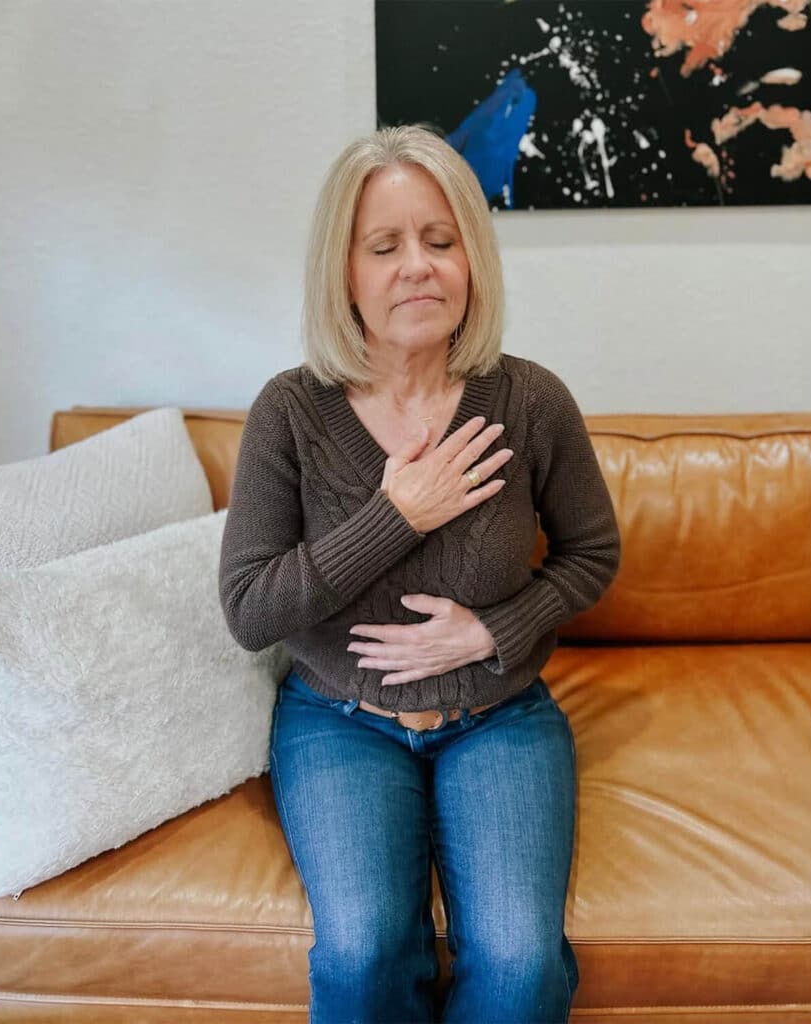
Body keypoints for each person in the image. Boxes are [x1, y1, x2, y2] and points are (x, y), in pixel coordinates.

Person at [218, 124, 620, 1024]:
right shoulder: (291, 411)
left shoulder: (530, 400)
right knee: (361, 952)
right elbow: (248, 609)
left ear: (472, 260)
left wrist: (498, 629)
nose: (418, 267)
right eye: (386, 246)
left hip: (499, 715)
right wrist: (399, 514)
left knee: (522, 965)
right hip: (340, 723)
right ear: (345, 271)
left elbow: (595, 554)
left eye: (441, 242)